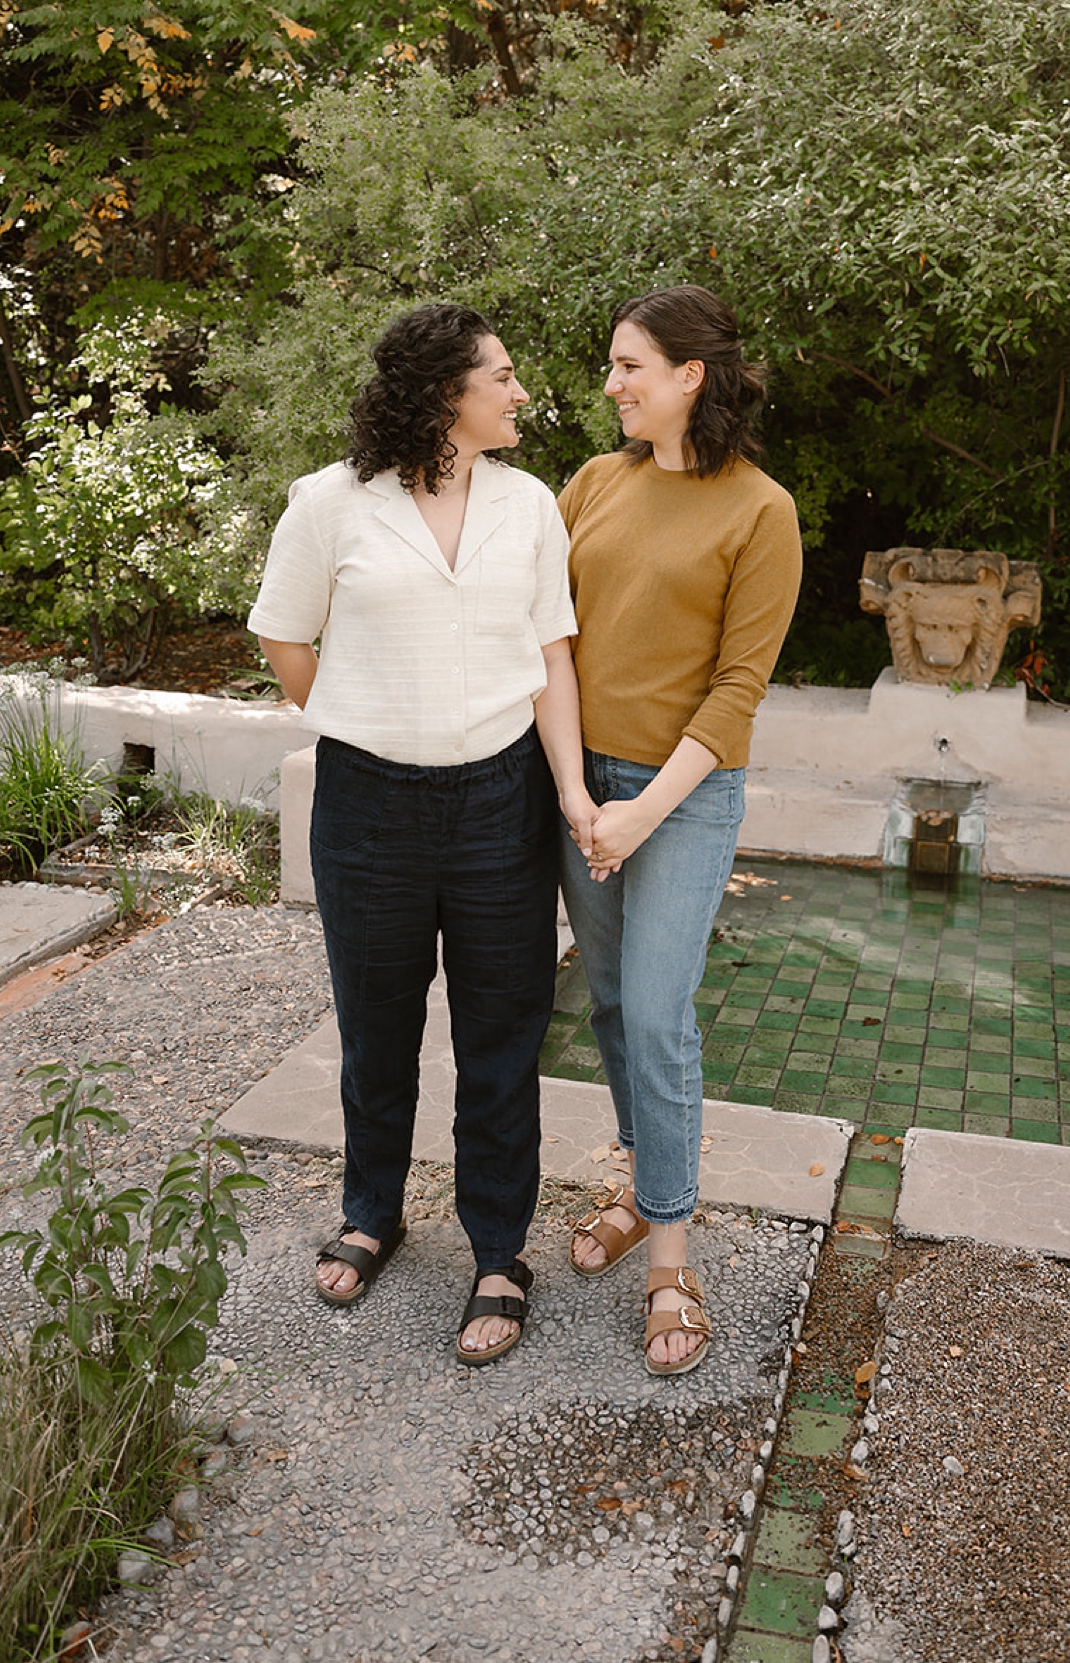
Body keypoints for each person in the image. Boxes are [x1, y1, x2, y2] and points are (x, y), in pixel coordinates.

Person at [248, 304, 592, 1366]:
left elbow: (554, 658)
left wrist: (573, 794)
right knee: (376, 1023)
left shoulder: (530, 504)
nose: (520, 390)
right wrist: (360, 719)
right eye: (501, 375)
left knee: (501, 1034)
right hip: (366, 805)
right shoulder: (330, 502)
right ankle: (372, 1211)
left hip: (501, 802)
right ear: (446, 392)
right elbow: (283, 632)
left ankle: (498, 1250)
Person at [558, 284, 802, 1375]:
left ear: (689, 376)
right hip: (580, 786)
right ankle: (633, 1169)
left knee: (658, 1011)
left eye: (629, 367)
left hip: (684, 795)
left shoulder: (763, 509)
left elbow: (738, 686)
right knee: (608, 999)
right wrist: (577, 796)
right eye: (612, 367)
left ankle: (669, 1254)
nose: (611, 385)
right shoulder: (592, 483)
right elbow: (549, 641)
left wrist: (638, 812)